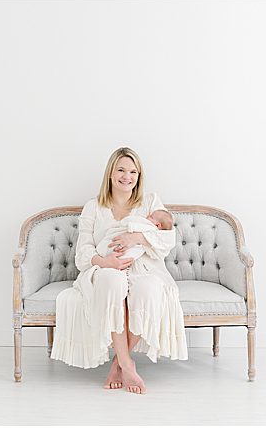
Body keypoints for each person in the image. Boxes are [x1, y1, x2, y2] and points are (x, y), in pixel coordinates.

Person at [50, 147, 187, 394]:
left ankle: (118, 363)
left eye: (133, 171)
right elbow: (83, 253)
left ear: (139, 176)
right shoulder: (93, 207)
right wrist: (107, 263)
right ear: (111, 174)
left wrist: (134, 237)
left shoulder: (150, 202)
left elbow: (167, 240)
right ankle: (127, 364)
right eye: (122, 170)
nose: (127, 176)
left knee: (148, 289)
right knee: (112, 283)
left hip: (143, 266)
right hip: (105, 265)